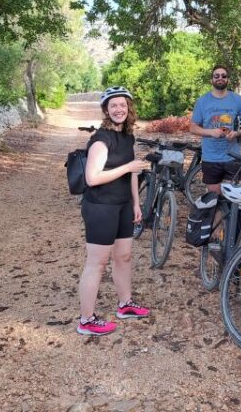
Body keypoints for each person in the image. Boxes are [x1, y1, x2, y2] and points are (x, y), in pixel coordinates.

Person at [77, 86, 150, 336]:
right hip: (101, 206)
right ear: (106, 110)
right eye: (113, 105)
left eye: (123, 104)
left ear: (129, 108)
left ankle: (125, 304)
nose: (119, 109)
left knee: (124, 256)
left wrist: (136, 203)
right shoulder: (101, 139)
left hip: (123, 205)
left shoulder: (128, 137)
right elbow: (92, 178)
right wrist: (128, 167)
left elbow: (133, 172)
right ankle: (86, 320)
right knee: (97, 263)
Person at [190, 65, 241, 193]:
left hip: (233, 158)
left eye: (223, 76)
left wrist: (236, 133)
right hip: (211, 158)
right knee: (215, 198)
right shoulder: (202, 101)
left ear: (227, 80)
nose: (220, 78)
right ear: (211, 80)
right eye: (216, 76)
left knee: (233, 199)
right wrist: (210, 132)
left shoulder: (238, 100)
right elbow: (192, 127)